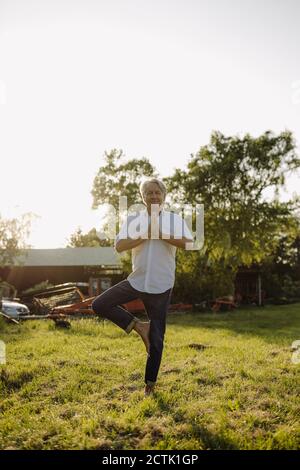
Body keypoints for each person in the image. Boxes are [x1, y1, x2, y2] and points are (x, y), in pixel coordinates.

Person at [91, 178, 194, 396]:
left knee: (157, 339)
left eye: (157, 192)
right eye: (149, 193)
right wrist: (145, 234)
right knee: (99, 304)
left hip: (162, 283)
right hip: (137, 280)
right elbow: (119, 246)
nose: (154, 196)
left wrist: (161, 233)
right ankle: (139, 326)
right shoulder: (133, 220)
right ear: (143, 197)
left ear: (164, 197)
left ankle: (150, 385)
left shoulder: (174, 220)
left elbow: (189, 243)